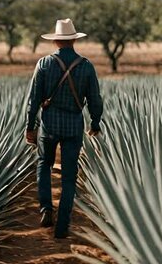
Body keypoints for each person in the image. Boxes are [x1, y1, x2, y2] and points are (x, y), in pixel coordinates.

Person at [25, 18, 104, 239]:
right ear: (73, 40)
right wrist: (95, 122)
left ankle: (46, 209)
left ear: (56, 41)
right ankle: (63, 225)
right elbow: (95, 99)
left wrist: (30, 126)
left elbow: (33, 99)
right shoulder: (86, 66)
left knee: (44, 164)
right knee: (70, 176)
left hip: (49, 125)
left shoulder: (44, 64)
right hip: (73, 126)